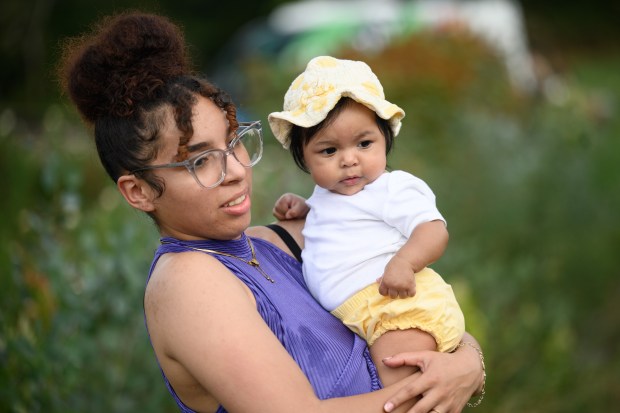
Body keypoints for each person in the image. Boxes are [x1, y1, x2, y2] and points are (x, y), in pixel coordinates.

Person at [58, 11, 485, 413]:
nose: (236, 172)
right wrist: (442, 383)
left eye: (234, 141)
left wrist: (468, 361)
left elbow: (416, 312)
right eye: (200, 161)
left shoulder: (286, 238)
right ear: (138, 192)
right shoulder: (188, 282)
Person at [269, 56, 466, 387]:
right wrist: (303, 208)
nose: (349, 160)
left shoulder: (391, 188)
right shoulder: (325, 196)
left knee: (400, 393)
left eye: (364, 144)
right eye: (329, 151)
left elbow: (433, 230)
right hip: (360, 316)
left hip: (397, 310)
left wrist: (405, 262)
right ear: (304, 157)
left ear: (385, 139)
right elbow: (338, 222)